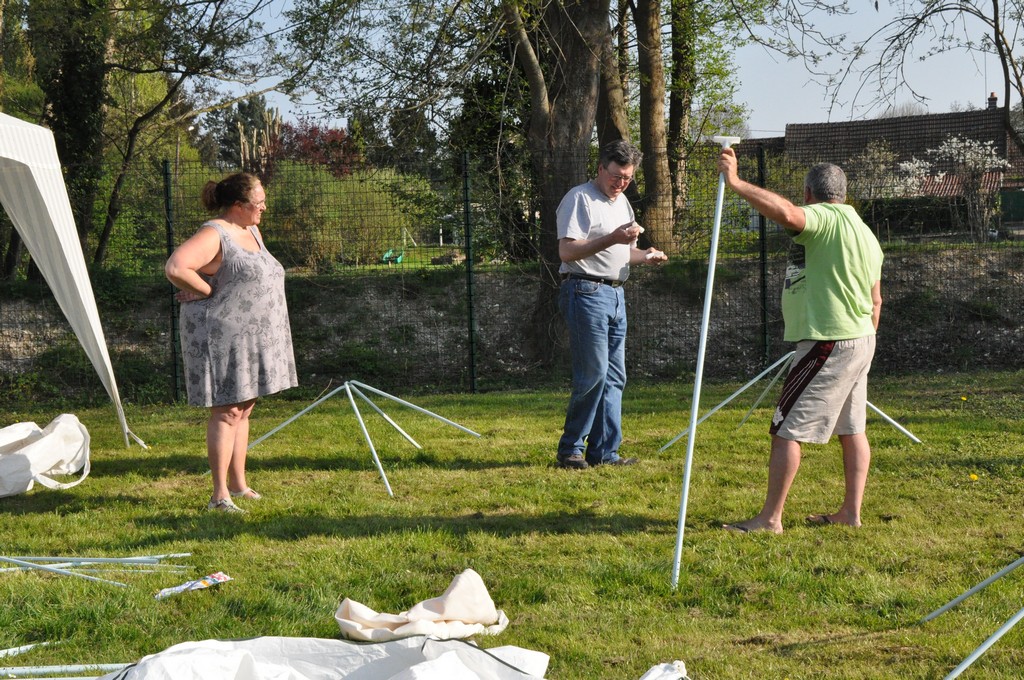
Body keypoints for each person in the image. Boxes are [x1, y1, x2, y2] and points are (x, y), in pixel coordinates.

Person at [717, 147, 883, 533]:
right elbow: (877, 300)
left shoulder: (825, 218)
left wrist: (737, 182)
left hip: (829, 341)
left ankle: (769, 519)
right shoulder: (865, 233)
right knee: (852, 428)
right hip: (861, 338)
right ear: (844, 193)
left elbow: (788, 214)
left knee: (786, 428)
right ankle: (850, 514)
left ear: (809, 193)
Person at [165, 172, 297, 513]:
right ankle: (219, 496)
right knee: (227, 411)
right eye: (259, 201)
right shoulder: (215, 232)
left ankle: (238, 485)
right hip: (220, 335)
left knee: (244, 408)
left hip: (251, 336)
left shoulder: (250, 230)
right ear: (238, 205)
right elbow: (177, 267)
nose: (264, 207)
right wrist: (209, 291)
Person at [555, 140, 669, 470]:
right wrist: (613, 239)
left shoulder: (623, 205)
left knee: (615, 376)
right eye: (616, 176)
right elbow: (567, 252)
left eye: (628, 178)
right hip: (585, 291)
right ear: (601, 169)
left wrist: (645, 256)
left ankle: (605, 452)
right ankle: (571, 450)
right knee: (592, 373)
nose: (621, 184)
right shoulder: (579, 199)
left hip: (616, 293)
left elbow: (622, 252)